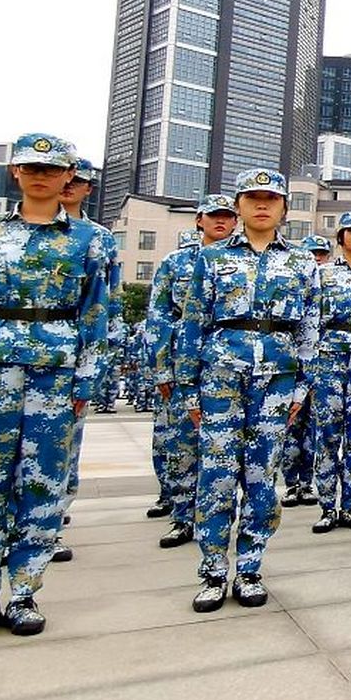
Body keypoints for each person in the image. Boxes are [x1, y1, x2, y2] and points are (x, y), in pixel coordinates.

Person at [0, 132, 110, 643]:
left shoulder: (89, 239)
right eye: (30, 167)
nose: (40, 175)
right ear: (16, 172)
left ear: (67, 178)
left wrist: (88, 379)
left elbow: (96, 314)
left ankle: (24, 592)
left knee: (42, 481)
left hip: (54, 371)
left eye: (51, 169)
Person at [177, 170, 319, 612]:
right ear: (238, 206)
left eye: (271, 199)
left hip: (277, 377)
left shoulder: (302, 263)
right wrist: (187, 388)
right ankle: (214, 570)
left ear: (283, 208)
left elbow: (310, 329)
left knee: (262, 476)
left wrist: (302, 388)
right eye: (253, 198)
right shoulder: (212, 259)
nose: (262, 205)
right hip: (221, 373)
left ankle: (251, 566)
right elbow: (192, 325)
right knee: (217, 475)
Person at [147, 200, 237, 547]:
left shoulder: (242, 261)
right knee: (181, 442)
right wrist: (162, 370)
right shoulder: (176, 262)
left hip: (227, 365)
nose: (220, 222)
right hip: (185, 367)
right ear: (199, 220)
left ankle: (217, 518)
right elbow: (158, 319)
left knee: (224, 449)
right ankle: (183, 516)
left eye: (227, 217)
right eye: (213, 217)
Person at [50, 156, 123, 562]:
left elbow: (104, 304)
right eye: (66, 178)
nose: (68, 186)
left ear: (86, 188)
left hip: (70, 357)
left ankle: (50, 523)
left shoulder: (97, 238)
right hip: (6, 359)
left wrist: (96, 363)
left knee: (61, 448)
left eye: (76, 181)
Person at [309, 213, 351, 534]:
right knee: (328, 435)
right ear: (341, 237)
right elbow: (311, 321)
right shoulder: (322, 275)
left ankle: (349, 505)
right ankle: (325, 505)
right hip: (329, 360)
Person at [280, 234, 333, 508]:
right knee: (291, 428)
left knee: (315, 431)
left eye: (321, 253)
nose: (317, 258)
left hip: (324, 371)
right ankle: (291, 484)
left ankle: (308, 482)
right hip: (295, 368)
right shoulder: (299, 288)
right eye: (312, 253)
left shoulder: (336, 286)